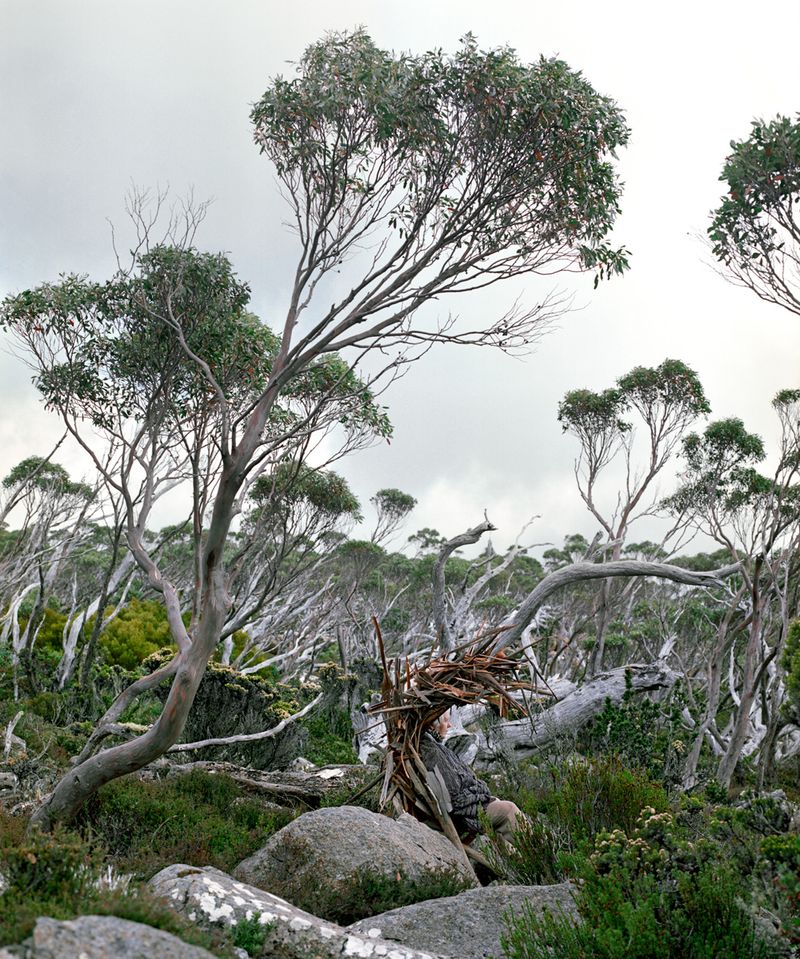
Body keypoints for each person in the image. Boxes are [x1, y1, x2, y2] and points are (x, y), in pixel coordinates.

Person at [419, 710, 523, 843]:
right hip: (463, 817)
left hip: (467, 809)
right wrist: (481, 795)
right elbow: (455, 800)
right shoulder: (433, 754)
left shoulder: (434, 748)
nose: (450, 725)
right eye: (445, 721)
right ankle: (539, 853)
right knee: (509, 810)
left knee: (500, 805)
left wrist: (482, 795)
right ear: (431, 726)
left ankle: (521, 856)